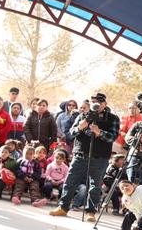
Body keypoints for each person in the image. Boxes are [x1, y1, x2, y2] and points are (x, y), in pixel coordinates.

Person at [49, 93, 121, 222]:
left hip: (100, 157)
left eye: (99, 101)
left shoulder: (112, 118)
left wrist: (99, 132)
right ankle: (63, 207)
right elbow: (71, 133)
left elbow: (113, 137)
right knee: (70, 182)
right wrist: (80, 127)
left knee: (95, 186)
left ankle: (90, 212)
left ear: (105, 103)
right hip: (80, 154)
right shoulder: (83, 116)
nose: (96, 104)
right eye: (93, 101)